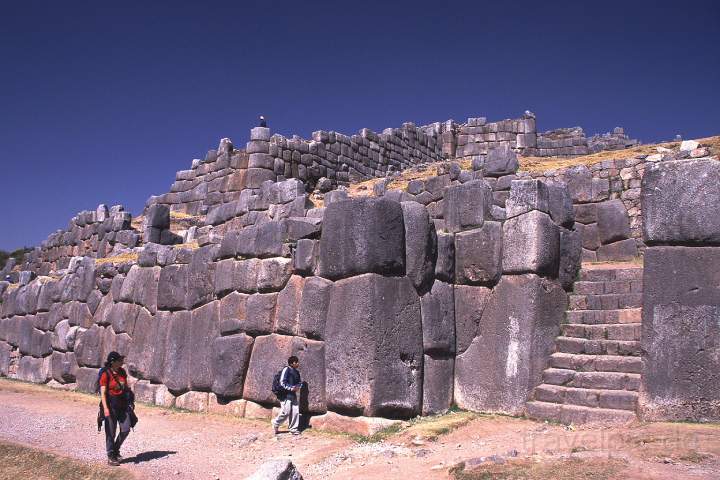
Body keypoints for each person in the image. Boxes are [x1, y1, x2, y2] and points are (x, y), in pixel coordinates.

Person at [100, 351, 135, 466]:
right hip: (110, 407)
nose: (122, 361)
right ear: (113, 362)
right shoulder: (106, 374)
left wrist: (130, 400)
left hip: (123, 406)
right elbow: (103, 393)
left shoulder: (122, 372)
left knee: (125, 429)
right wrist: (105, 409)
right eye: (119, 360)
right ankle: (111, 456)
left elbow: (126, 387)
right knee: (110, 432)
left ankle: (115, 449)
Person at [271, 356, 302, 435]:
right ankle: (275, 423)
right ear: (292, 363)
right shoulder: (286, 369)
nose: (298, 363)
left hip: (293, 395)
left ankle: (293, 429)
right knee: (286, 412)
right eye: (296, 362)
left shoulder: (296, 372)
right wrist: (291, 388)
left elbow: (299, 382)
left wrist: (298, 386)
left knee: (295, 412)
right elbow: (282, 382)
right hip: (285, 395)